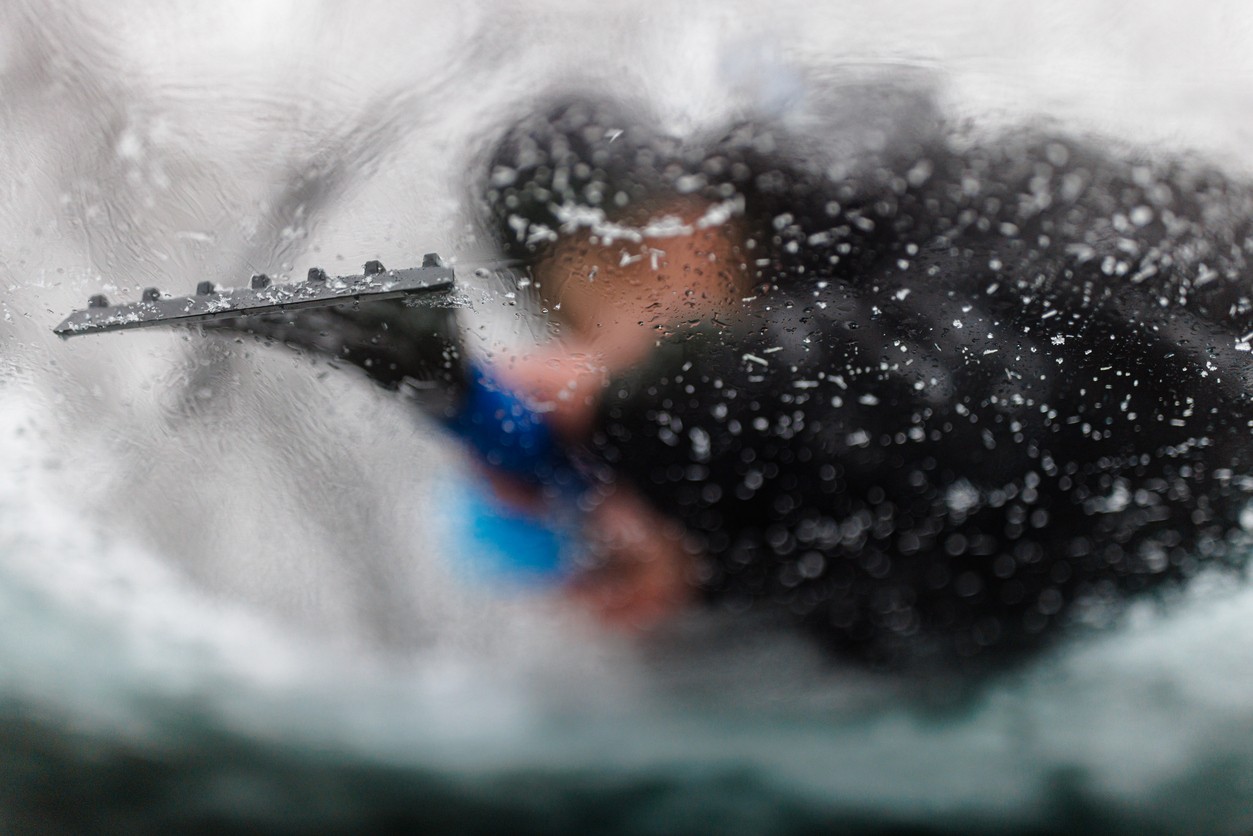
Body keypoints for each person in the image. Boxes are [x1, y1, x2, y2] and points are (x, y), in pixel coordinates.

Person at [232, 81, 1253, 671]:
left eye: (628, 254)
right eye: (578, 297)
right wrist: (709, 560)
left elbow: (989, 399)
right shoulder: (750, 411)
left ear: (693, 206)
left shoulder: (889, 194)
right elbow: (951, 558)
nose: (626, 317)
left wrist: (654, 409)